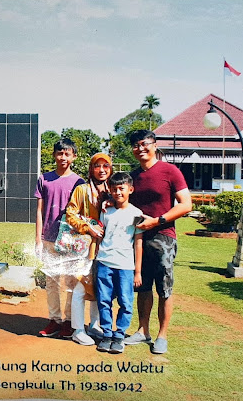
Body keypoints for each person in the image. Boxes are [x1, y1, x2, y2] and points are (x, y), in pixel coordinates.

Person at [124, 130, 192, 354]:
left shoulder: (170, 170)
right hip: (139, 240)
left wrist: (157, 221)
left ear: (154, 145)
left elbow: (185, 205)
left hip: (164, 238)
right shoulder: (133, 177)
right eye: (135, 145)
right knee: (142, 287)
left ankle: (162, 335)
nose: (140, 148)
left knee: (164, 289)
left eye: (144, 144)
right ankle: (143, 331)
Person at [34, 138, 85, 338]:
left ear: (74, 156)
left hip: (71, 239)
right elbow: (39, 210)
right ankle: (54, 320)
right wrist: (38, 238)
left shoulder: (79, 182)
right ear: (54, 155)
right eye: (60, 153)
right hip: (49, 237)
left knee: (72, 282)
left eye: (67, 154)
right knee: (52, 281)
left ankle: (70, 321)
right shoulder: (43, 179)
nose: (63, 157)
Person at [65, 153, 112, 346]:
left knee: (99, 288)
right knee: (79, 287)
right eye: (97, 166)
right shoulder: (82, 190)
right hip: (84, 247)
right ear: (91, 169)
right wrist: (87, 227)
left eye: (105, 166)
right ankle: (77, 329)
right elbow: (70, 213)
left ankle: (95, 325)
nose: (101, 170)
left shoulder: (114, 190)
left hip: (107, 248)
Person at [94, 172, 143, 354]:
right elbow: (101, 235)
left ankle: (119, 335)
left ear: (130, 189)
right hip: (105, 262)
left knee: (125, 301)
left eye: (121, 189)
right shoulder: (106, 210)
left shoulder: (137, 214)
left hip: (125, 266)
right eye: (114, 189)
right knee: (104, 300)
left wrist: (137, 271)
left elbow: (138, 243)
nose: (118, 192)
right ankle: (107, 334)